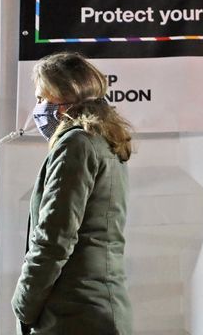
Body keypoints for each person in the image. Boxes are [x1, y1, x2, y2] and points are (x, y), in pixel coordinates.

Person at [12, 52, 133, 335]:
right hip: (99, 308)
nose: (38, 108)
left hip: (74, 315)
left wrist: (23, 304)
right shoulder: (103, 140)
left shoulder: (76, 144)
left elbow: (54, 238)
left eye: (43, 99)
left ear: (66, 99)